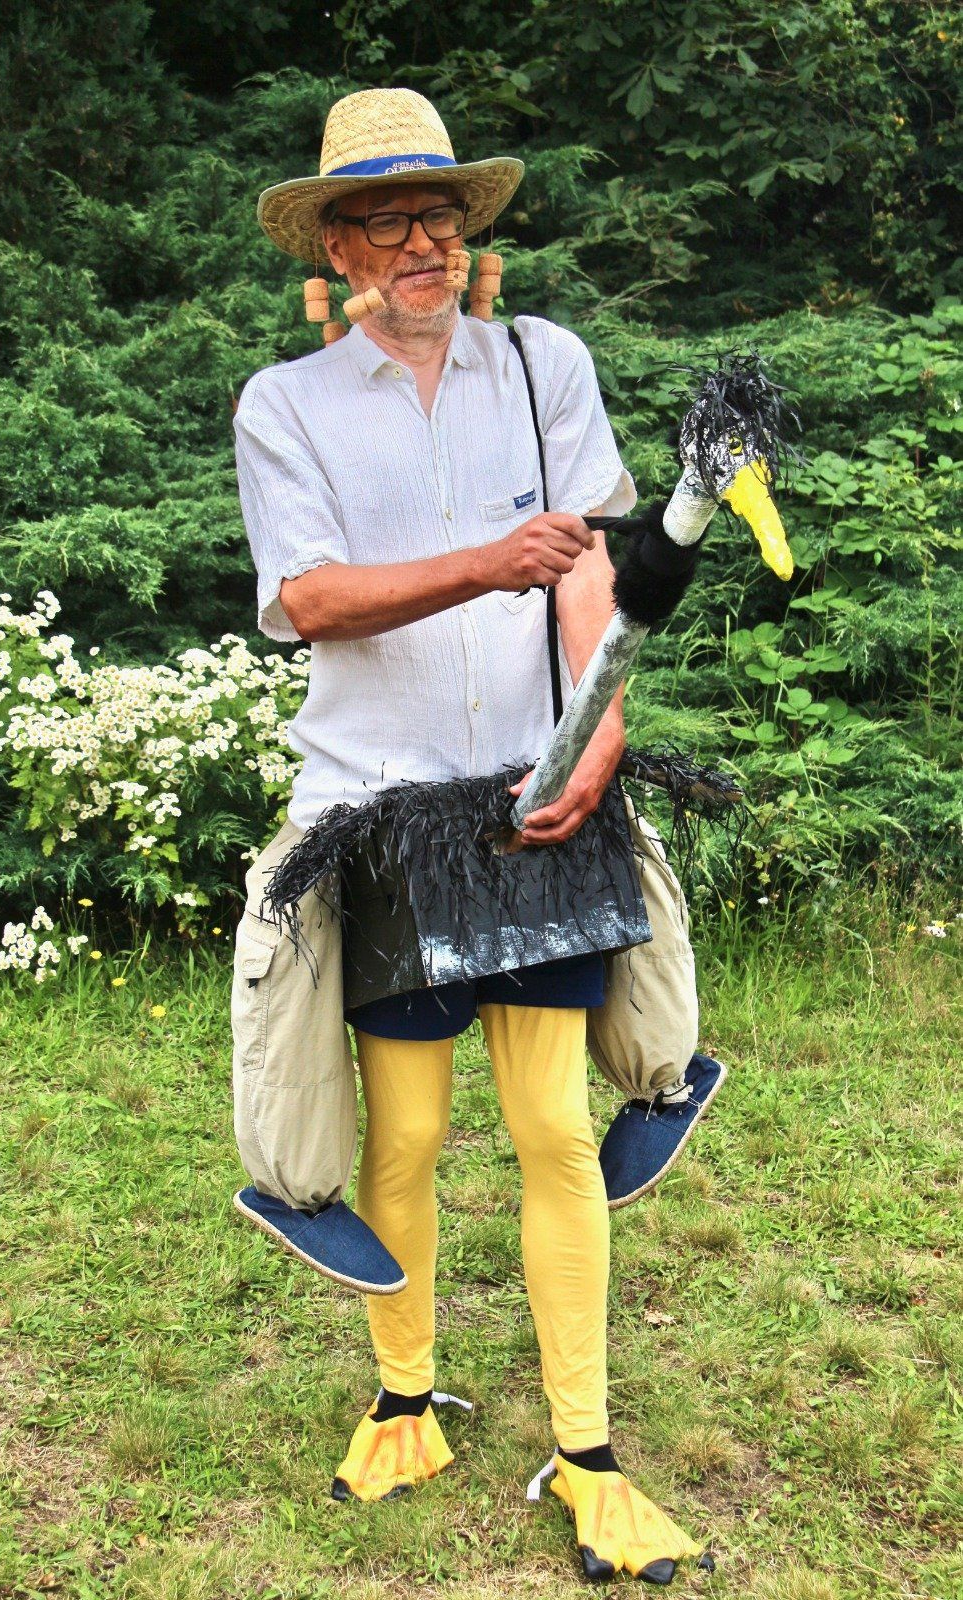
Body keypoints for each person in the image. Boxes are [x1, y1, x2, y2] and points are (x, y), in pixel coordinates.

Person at [230, 87, 718, 1585]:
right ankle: (403, 1399)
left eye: (440, 210)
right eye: (384, 216)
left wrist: (599, 734)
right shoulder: (285, 404)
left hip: (527, 799)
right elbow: (307, 600)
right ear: (334, 241)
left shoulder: (542, 367)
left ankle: (587, 1455)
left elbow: (591, 575)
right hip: (380, 814)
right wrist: (481, 564)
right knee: (414, 1133)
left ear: (468, 228)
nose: (421, 237)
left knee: (557, 1128)